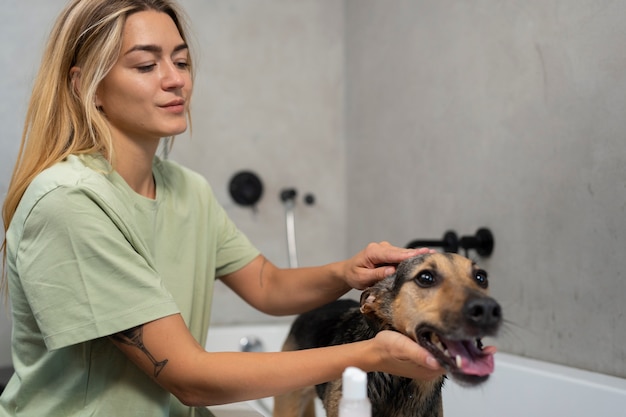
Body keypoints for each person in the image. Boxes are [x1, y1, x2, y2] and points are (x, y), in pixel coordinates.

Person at [0, 0, 444, 416]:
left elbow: (267, 285)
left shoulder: (186, 189)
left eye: (181, 60)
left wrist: (346, 273)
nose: (175, 79)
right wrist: (372, 353)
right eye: (146, 64)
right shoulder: (69, 201)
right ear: (86, 86)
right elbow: (191, 378)